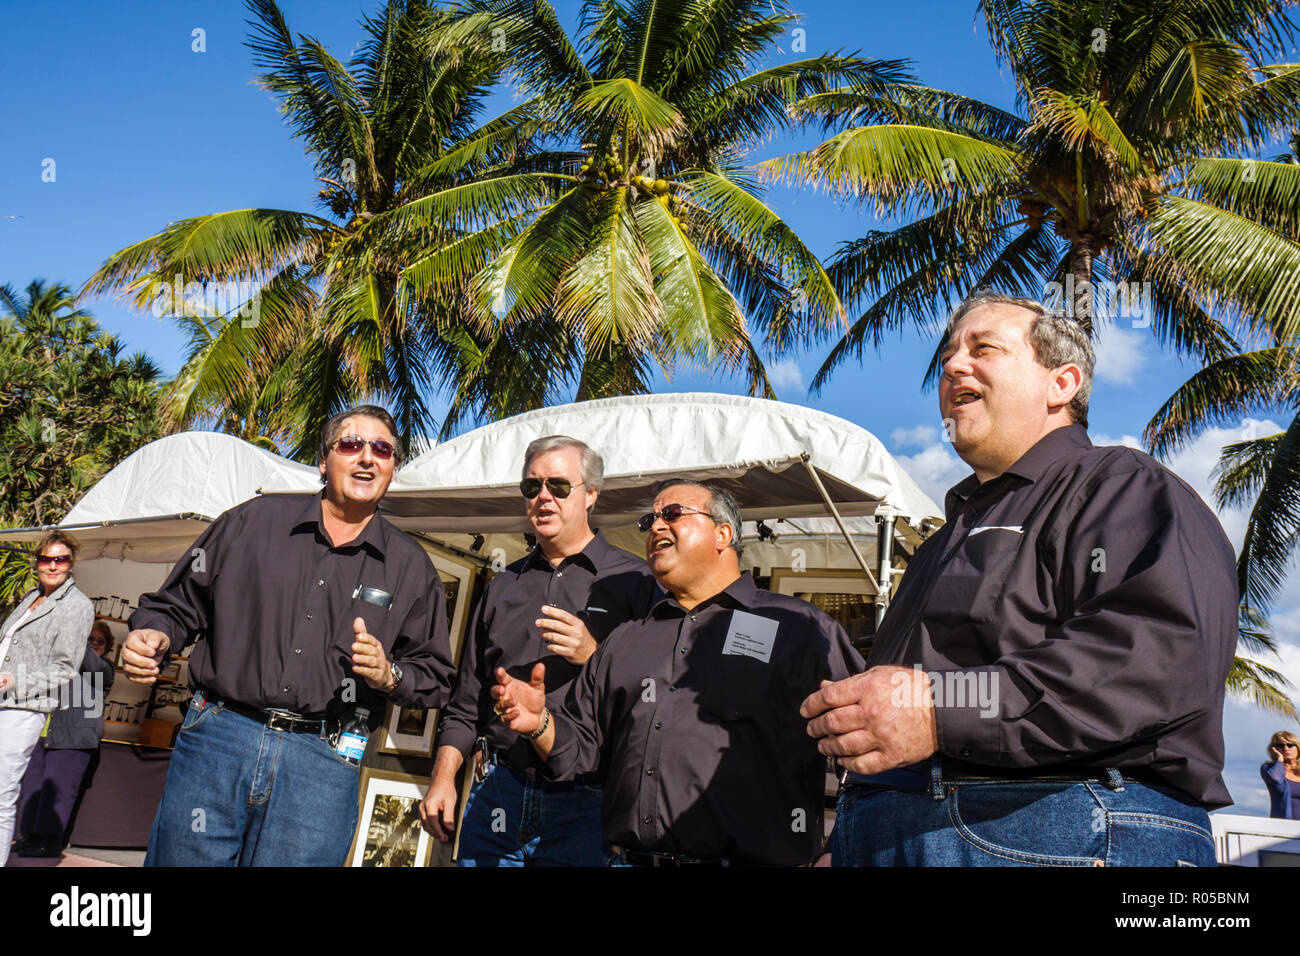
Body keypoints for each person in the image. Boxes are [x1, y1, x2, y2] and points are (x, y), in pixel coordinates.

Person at [803, 292, 1238, 867]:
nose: (954, 365)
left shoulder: (1120, 485)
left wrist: (940, 705)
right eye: (950, 354)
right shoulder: (943, 539)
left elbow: (1151, 659)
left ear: (1061, 384)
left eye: (984, 349)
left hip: (1053, 822)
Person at [123, 404, 455, 866]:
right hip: (218, 738)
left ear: (392, 469)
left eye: (381, 449)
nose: (366, 458)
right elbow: (175, 605)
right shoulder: (251, 522)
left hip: (323, 761)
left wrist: (389, 673)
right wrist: (153, 634)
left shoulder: (411, 567)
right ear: (324, 460)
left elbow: (435, 677)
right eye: (351, 444)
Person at [493, 478, 864, 866]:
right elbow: (580, 749)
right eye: (648, 520)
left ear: (723, 534)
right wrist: (539, 722)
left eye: (672, 514)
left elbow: (867, 733)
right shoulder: (626, 639)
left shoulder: (798, 628)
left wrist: (839, 850)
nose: (655, 527)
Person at [418, 436, 656, 865]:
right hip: (498, 790)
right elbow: (466, 701)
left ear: (591, 496)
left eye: (559, 486)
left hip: (588, 802)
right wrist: (443, 779)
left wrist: (594, 655)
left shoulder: (636, 582)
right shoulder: (503, 585)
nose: (543, 497)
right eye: (532, 487)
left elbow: (658, 698)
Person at [0, 530, 92, 866]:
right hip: (1, 701)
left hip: (24, 707)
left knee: (2, 792)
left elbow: (65, 668)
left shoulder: (77, 606)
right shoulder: (29, 598)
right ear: (36, 561)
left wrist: (14, 680)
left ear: (71, 563)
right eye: (46, 558)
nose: (52, 565)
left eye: (61, 559)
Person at [14, 620, 116, 858]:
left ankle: (49, 842)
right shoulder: (62, 665)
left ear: (107, 646)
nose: (93, 643)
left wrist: (73, 630)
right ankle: (28, 837)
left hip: (75, 737)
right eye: (90, 639)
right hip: (44, 734)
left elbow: (88, 661)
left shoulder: (103, 669)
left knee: (57, 791)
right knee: (33, 789)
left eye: (99, 641)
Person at [1262, 730, 1300, 819]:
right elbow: (1275, 778)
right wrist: (1279, 759)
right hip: (1282, 825)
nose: (1286, 748)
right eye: (1281, 745)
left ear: (1298, 748)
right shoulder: (1268, 768)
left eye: (1290, 745)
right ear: (1274, 749)